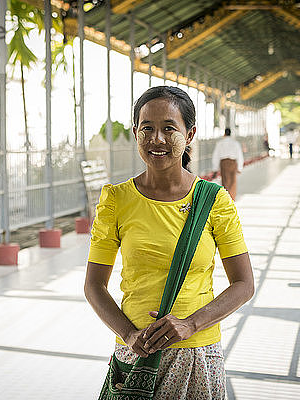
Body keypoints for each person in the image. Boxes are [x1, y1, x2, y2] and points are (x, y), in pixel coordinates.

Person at [84, 86, 254, 399]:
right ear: (135, 132)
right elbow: (94, 285)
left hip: (197, 355)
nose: (157, 139)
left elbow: (244, 284)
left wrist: (190, 324)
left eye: (169, 129)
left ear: (189, 134)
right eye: (147, 128)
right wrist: (129, 334)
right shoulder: (116, 200)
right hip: (136, 354)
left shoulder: (214, 200)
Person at [211, 128, 244, 200]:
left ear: (224, 134)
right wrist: (240, 167)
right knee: (233, 181)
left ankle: (226, 199)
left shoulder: (220, 143)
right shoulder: (235, 143)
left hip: (224, 163)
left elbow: (216, 155)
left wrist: (215, 168)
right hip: (233, 163)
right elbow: (239, 155)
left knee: (225, 181)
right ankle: (232, 198)